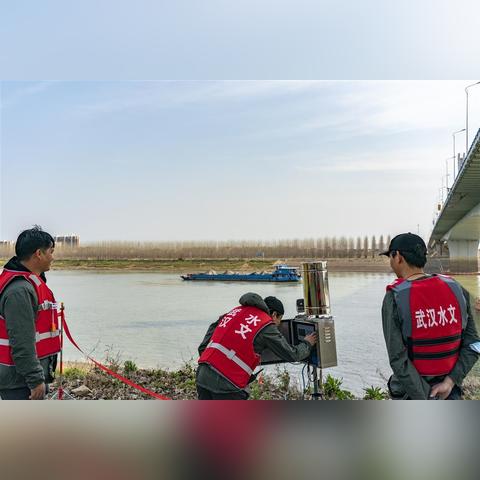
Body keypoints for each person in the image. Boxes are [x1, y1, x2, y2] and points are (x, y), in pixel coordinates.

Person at [380, 232, 480, 400]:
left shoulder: (395, 298)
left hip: (411, 395)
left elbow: (398, 359)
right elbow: (473, 344)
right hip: (450, 392)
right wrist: (450, 382)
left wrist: (427, 397)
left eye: (390, 256)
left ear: (398, 257)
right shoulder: (456, 288)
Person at [196, 292, 318, 400]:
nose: (277, 325)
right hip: (227, 385)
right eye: (279, 320)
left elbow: (204, 345)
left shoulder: (235, 312)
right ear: (274, 314)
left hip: (202, 375)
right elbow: (292, 354)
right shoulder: (265, 324)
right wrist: (307, 343)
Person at [0, 226, 60, 400]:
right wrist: (35, 380)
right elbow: (21, 340)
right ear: (38, 254)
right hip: (18, 382)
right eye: (51, 251)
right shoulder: (19, 291)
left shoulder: (27, 283)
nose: (53, 257)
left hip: (21, 378)